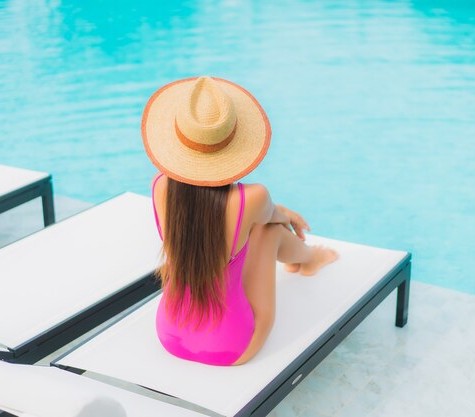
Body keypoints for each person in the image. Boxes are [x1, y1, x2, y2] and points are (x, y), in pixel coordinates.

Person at [142, 76, 338, 366]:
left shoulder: (159, 186)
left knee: (257, 227)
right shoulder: (253, 198)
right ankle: (309, 258)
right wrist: (288, 216)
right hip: (231, 347)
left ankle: (306, 260)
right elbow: (272, 217)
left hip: (169, 335)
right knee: (270, 231)